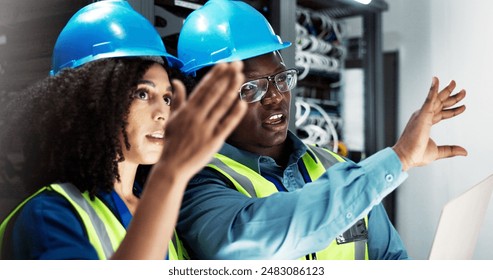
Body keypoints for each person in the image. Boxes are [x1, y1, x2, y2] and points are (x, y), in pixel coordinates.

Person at [175, 0, 467, 260]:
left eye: (280, 79)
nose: (275, 96)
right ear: (204, 101)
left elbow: (390, 258)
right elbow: (260, 239)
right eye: (252, 88)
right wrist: (399, 157)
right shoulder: (196, 185)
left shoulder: (340, 167)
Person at [0, 0, 246, 260]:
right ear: (92, 102)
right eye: (142, 93)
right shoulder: (48, 216)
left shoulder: (153, 208)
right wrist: (169, 178)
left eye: (167, 98)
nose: (163, 112)